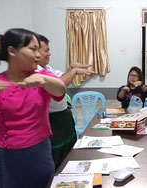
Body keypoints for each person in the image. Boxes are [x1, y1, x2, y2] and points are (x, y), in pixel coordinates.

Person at [0, 28, 76, 188]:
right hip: (4, 156)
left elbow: (60, 90)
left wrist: (42, 80)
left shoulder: (42, 77)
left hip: (38, 154)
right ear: (12, 51)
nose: (38, 55)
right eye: (33, 49)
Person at [37, 35, 94, 170]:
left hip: (64, 118)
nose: (49, 53)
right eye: (46, 50)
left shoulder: (47, 68)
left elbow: (60, 76)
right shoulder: (35, 72)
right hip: (53, 121)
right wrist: (73, 71)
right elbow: (59, 84)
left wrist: (71, 69)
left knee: (69, 154)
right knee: (57, 158)